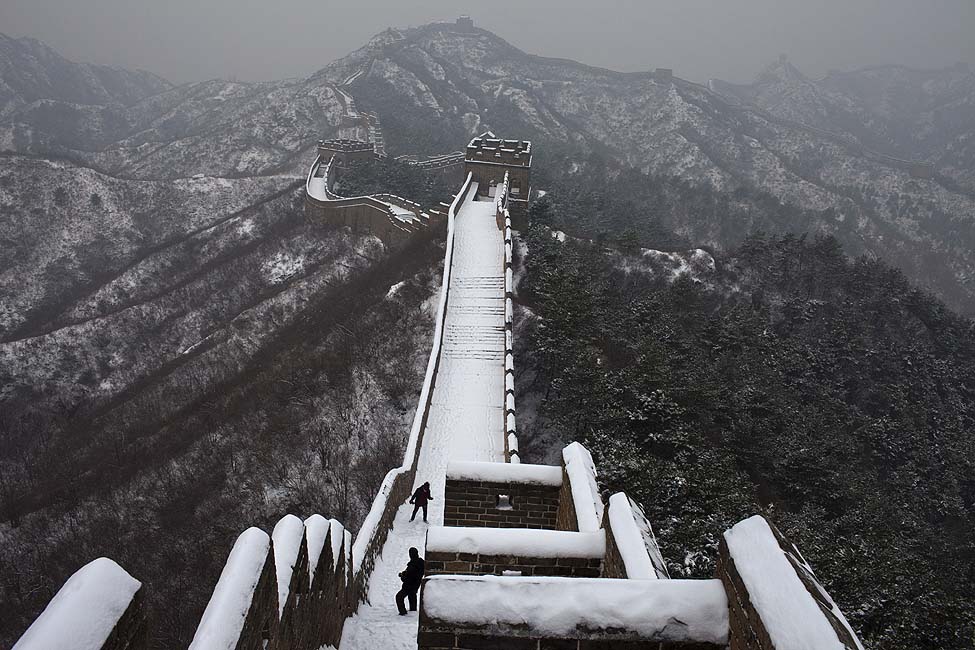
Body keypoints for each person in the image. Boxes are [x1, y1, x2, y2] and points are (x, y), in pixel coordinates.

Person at [396, 547, 425, 615]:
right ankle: (413, 611)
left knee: (399, 597)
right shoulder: (421, 563)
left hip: (409, 586)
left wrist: (402, 576)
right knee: (412, 596)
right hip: (415, 585)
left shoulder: (413, 564)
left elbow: (409, 576)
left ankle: (403, 613)